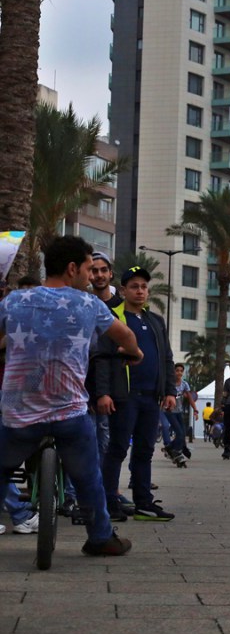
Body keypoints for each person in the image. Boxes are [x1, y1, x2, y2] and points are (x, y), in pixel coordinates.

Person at [0, 236, 139, 555]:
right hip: (70, 416)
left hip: (19, 415)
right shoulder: (89, 305)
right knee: (88, 475)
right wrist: (134, 354)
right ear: (72, 268)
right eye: (90, 269)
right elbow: (126, 336)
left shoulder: (15, 302)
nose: (91, 277)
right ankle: (101, 538)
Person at [95, 265, 177, 522]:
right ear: (123, 290)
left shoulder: (155, 321)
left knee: (144, 450)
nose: (140, 291)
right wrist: (103, 393)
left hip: (152, 396)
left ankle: (143, 502)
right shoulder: (112, 317)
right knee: (117, 449)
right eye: (134, 286)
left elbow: (166, 357)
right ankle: (109, 502)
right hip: (124, 396)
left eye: (143, 286)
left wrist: (169, 391)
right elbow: (101, 358)